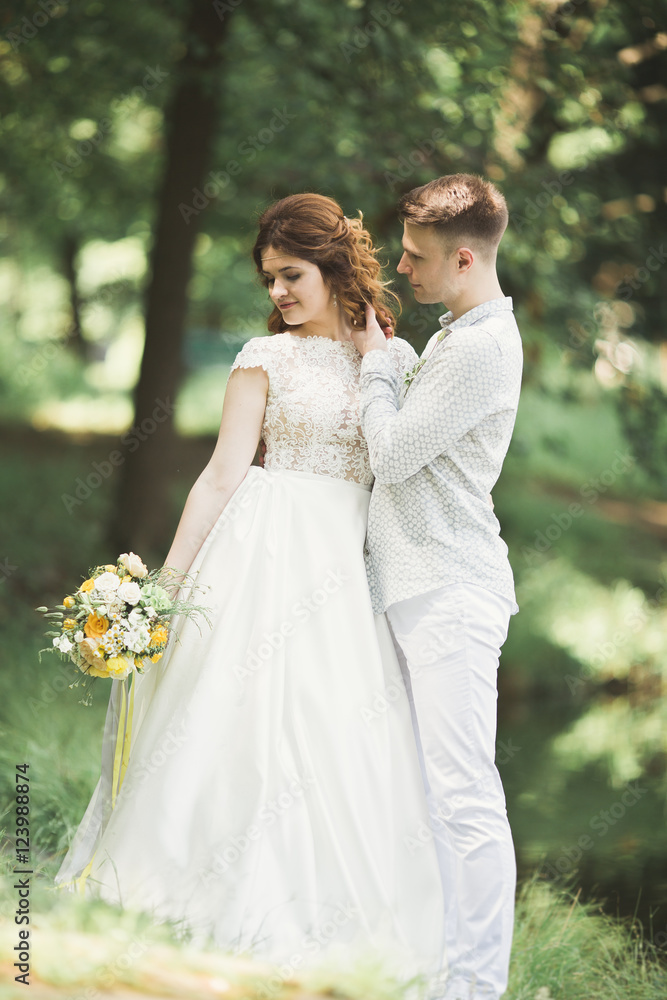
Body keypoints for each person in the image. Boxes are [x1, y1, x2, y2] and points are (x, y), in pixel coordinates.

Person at [55, 193, 446, 985]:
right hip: (260, 555)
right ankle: (192, 888)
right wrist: (165, 585)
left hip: (345, 568)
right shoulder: (262, 358)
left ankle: (331, 912)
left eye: (291, 274)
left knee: (336, 724)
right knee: (233, 716)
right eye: (269, 279)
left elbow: (406, 474)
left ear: (333, 267)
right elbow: (220, 476)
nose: (278, 294)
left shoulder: (395, 362)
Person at [351, 174, 523, 1000]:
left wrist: (379, 364)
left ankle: (477, 987)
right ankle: (430, 968)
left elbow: (391, 454)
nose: (402, 269)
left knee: (462, 796)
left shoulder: (483, 345)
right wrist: (401, 358)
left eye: (417, 258)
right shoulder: (459, 333)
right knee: (423, 792)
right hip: (418, 585)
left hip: (451, 590)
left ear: (463, 256)